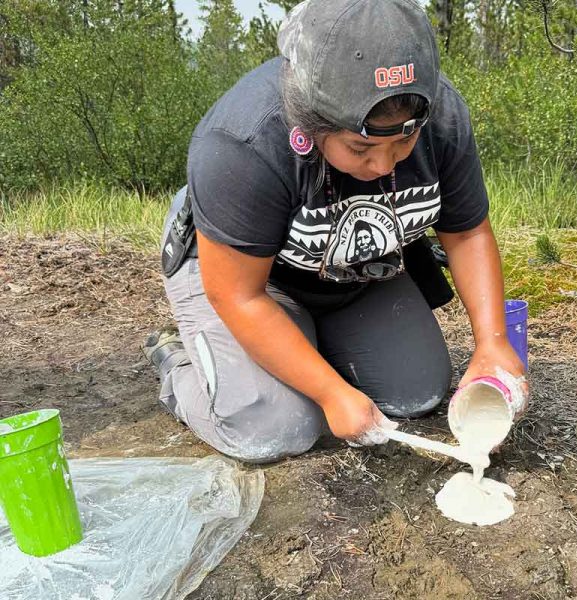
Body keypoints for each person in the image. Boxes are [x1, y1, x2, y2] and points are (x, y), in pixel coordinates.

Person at [143, 0, 527, 463]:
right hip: (250, 279)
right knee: (277, 427)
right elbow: (238, 295)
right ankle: (179, 365)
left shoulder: (441, 118)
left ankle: (307, 343)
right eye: (360, 147)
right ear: (312, 122)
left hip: (349, 268)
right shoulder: (244, 144)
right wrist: (329, 393)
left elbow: (466, 234)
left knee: (417, 394)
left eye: (405, 141)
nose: (385, 164)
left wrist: (492, 342)